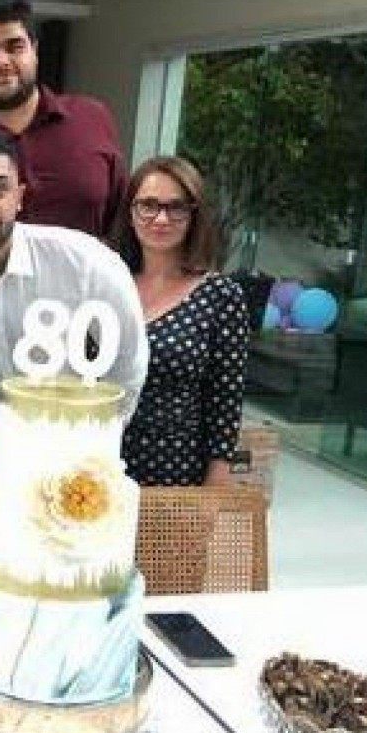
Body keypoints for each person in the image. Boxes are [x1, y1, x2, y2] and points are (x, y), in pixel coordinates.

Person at [0, 128, 147, 418]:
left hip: (70, 439)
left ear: (19, 197)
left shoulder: (85, 263)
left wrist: (95, 437)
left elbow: (128, 362)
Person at [0, 0, 126, 238]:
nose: (1, 62)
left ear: (34, 50)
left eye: (14, 47)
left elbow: (122, 219)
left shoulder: (91, 120)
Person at [108, 156, 248, 486]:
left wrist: (215, 487)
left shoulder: (220, 295)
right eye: (148, 205)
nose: (161, 218)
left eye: (176, 207)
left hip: (173, 477)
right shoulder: (106, 284)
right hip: (99, 467)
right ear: (130, 212)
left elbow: (225, 403)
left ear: (193, 216)